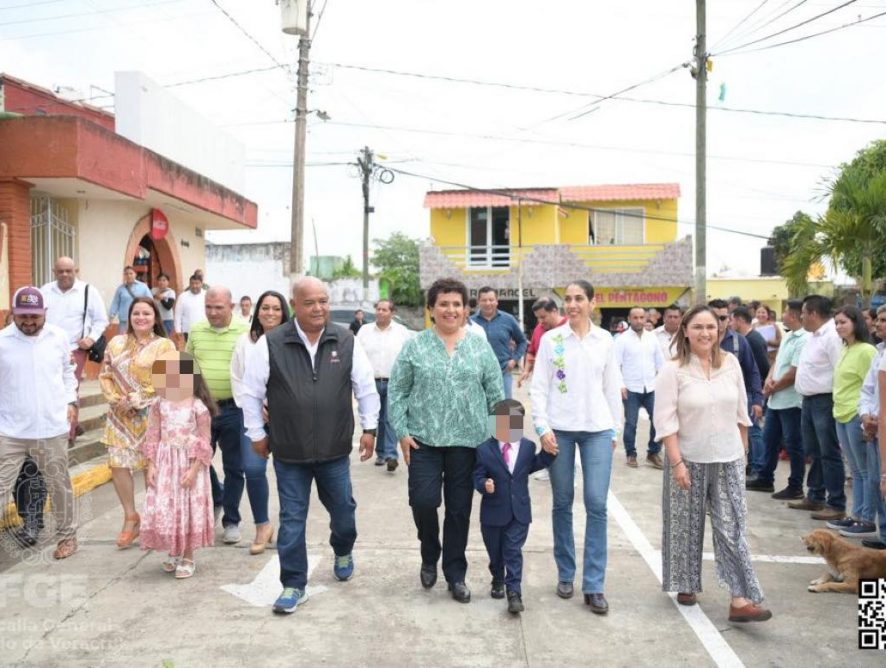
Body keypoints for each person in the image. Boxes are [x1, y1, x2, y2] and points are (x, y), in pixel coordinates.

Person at [241, 277, 380, 614]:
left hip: (334, 450)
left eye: (324, 301)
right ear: (295, 306)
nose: (319, 308)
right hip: (289, 451)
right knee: (292, 519)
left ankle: (343, 548)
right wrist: (256, 434)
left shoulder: (345, 339)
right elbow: (251, 392)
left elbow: (364, 385)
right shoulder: (271, 344)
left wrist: (370, 427)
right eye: (310, 303)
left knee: (344, 513)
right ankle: (293, 584)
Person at [389, 278, 503, 604]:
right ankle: (429, 552)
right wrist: (401, 431)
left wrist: (509, 445)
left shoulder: (480, 347)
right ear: (431, 309)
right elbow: (398, 391)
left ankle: (456, 574)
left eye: (457, 304)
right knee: (423, 502)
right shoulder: (415, 346)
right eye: (443, 304)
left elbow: (497, 395)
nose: (450, 310)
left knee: (458, 510)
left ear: (466, 309)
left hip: (469, 443)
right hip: (423, 440)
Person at [654, 305, 770, 622]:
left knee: (732, 529)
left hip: (729, 458)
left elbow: (741, 412)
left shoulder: (731, 363)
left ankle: (740, 598)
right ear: (686, 332)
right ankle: (685, 583)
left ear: (720, 330)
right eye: (698, 327)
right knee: (684, 527)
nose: (706, 333)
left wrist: (743, 452)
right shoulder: (673, 369)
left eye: (712, 326)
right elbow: (665, 421)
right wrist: (677, 463)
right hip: (688, 458)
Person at [530, 279, 623, 615]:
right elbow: (539, 388)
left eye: (579, 299)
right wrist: (542, 428)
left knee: (596, 503)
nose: (572, 304)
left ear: (592, 303)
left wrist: (616, 428)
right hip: (560, 432)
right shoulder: (552, 339)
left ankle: (594, 584)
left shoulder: (605, 341)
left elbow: (612, 387)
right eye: (567, 299)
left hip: (598, 430)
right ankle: (566, 573)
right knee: (563, 501)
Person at [0, 287, 78, 559]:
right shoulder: (2, 341)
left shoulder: (58, 337)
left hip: (50, 428)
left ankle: (67, 538)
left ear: (45, 313)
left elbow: (69, 373)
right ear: (13, 313)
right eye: (23, 317)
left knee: (59, 487)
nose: (29, 322)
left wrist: (71, 401)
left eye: (35, 316)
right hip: (10, 431)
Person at [99, 297, 176, 549]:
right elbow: (105, 375)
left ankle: (154, 519)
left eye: (146, 313)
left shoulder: (166, 346)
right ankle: (131, 517)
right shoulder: (116, 343)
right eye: (136, 313)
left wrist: (139, 398)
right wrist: (116, 400)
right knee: (118, 465)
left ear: (155, 317)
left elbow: (174, 382)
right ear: (129, 317)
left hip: (154, 415)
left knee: (151, 467)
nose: (141, 317)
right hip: (120, 416)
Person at [474, 398, 555, 614]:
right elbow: (478, 475)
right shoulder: (484, 450)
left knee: (512, 549)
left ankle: (514, 592)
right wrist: (484, 484)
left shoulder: (527, 447)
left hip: (519, 512)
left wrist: (549, 453)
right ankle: (497, 577)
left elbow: (535, 465)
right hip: (492, 514)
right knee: (496, 552)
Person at [141, 351, 216, 578]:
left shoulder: (198, 407)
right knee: (169, 507)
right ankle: (174, 550)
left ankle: (188, 556)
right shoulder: (158, 404)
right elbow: (152, 434)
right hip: (165, 464)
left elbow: (205, 441)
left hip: (188, 464)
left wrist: (194, 470)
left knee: (188, 508)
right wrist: (152, 465)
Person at [186, 287, 250, 544]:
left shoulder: (244, 331)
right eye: (208, 307)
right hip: (202, 409)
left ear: (231, 306)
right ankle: (217, 495)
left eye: (219, 308)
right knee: (199, 461)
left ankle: (231, 520)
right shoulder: (197, 330)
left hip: (235, 408)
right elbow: (186, 366)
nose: (213, 313)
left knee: (235, 466)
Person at [230, 291, 290, 554]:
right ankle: (262, 525)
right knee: (253, 469)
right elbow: (238, 379)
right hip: (253, 417)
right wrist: (255, 408)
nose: (270, 313)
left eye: (276, 309)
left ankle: (288, 527)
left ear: (284, 312)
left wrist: (278, 407)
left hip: (288, 419)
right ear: (257, 311)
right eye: (265, 308)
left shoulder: (293, 340)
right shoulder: (246, 341)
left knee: (290, 473)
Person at [788, 295, 847, 521]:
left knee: (829, 452)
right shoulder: (814, 336)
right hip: (810, 400)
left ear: (813, 313)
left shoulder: (831, 337)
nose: (800, 316)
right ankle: (815, 495)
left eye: (803, 312)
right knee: (814, 450)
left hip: (825, 400)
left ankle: (836, 502)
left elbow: (839, 370)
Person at [41, 256, 109, 445]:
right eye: (60, 271)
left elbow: (101, 319)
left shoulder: (88, 291)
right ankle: (73, 422)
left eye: (68, 271)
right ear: (54, 272)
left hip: (74, 349)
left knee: (70, 388)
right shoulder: (45, 291)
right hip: (48, 348)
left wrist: (91, 338)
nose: (64, 274)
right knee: (51, 387)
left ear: (75, 271)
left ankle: (67, 434)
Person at [747, 300, 809, 497]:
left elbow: (794, 371)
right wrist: (768, 381)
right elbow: (777, 363)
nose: (785, 316)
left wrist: (773, 388)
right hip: (775, 400)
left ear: (797, 315)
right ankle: (765, 478)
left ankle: (796, 485)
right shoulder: (788, 336)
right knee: (769, 439)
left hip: (791, 401)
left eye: (788, 313)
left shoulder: (804, 339)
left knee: (793, 444)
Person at [827, 306, 877, 537]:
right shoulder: (846, 348)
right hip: (841, 413)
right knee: (856, 471)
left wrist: (868, 416)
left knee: (865, 471)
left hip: (857, 416)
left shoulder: (867, 350)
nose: (838, 327)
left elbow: (873, 387)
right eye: (836, 323)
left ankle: (867, 519)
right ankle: (856, 515)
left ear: (856, 323)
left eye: (843, 322)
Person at [708, 300, 763, 476]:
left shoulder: (739, 342)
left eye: (722, 318)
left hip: (735, 400)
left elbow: (752, 370)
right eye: (714, 317)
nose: (718, 322)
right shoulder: (698, 341)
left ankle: (752, 467)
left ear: (729, 319)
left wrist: (756, 400)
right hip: (706, 401)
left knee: (746, 433)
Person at [357, 299, 412, 471]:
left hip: (394, 382)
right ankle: (381, 454)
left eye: (384, 310)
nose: (380, 312)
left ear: (392, 313)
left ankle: (391, 455)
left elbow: (408, 357)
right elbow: (357, 356)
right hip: (371, 383)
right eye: (378, 309)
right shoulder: (365, 331)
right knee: (376, 419)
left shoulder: (402, 332)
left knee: (390, 418)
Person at [615, 306, 665, 469]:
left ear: (646, 319)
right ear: (629, 319)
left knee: (658, 420)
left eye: (641, 317)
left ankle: (653, 452)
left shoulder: (652, 338)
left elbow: (660, 363)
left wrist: (662, 383)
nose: (638, 321)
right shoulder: (622, 340)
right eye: (635, 318)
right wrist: (621, 385)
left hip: (651, 387)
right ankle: (631, 454)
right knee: (631, 423)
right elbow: (616, 365)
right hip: (631, 388)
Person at [472, 287, 528, 399]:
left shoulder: (508, 319)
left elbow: (522, 341)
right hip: (478, 374)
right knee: (481, 407)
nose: (488, 303)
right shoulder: (470, 322)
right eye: (484, 300)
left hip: (503, 371)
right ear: (478, 302)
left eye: (491, 300)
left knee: (504, 409)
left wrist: (514, 360)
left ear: (497, 301)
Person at [861, 306, 886, 549]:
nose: (878, 325)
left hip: (883, 428)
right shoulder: (879, 353)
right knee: (876, 482)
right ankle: (884, 535)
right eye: (877, 320)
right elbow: (867, 390)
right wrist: (866, 416)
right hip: (875, 428)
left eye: (884, 320)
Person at [518, 297, 565, 388]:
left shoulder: (570, 326)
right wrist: (526, 371)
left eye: (543, 317)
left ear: (554, 311)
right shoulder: (539, 329)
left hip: (564, 384)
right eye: (538, 318)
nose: (540, 321)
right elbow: (531, 352)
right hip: (542, 384)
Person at [108, 266, 152, 334]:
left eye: (131, 273)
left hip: (139, 319)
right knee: (124, 341)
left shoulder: (143, 287)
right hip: (124, 321)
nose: (129, 275)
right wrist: (111, 317)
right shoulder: (120, 289)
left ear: (135, 274)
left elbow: (150, 302)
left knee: (139, 341)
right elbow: (115, 303)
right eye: (126, 274)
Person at [174, 274, 206, 345]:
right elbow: (178, 314)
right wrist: (178, 330)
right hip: (188, 331)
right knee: (191, 352)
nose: (194, 286)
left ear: (201, 284)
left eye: (197, 283)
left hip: (205, 330)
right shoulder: (183, 296)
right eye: (192, 283)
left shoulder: (207, 295)